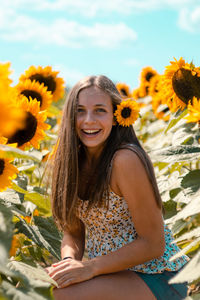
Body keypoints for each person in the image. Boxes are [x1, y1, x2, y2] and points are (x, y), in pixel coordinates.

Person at [46, 75, 189, 300]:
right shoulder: (72, 161)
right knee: (35, 287)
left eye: (100, 110)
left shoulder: (124, 160)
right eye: (80, 110)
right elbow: (73, 232)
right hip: (108, 272)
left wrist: (90, 268)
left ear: (115, 117)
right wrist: (69, 262)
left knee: (55, 296)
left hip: (158, 274)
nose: (88, 120)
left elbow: (153, 244)